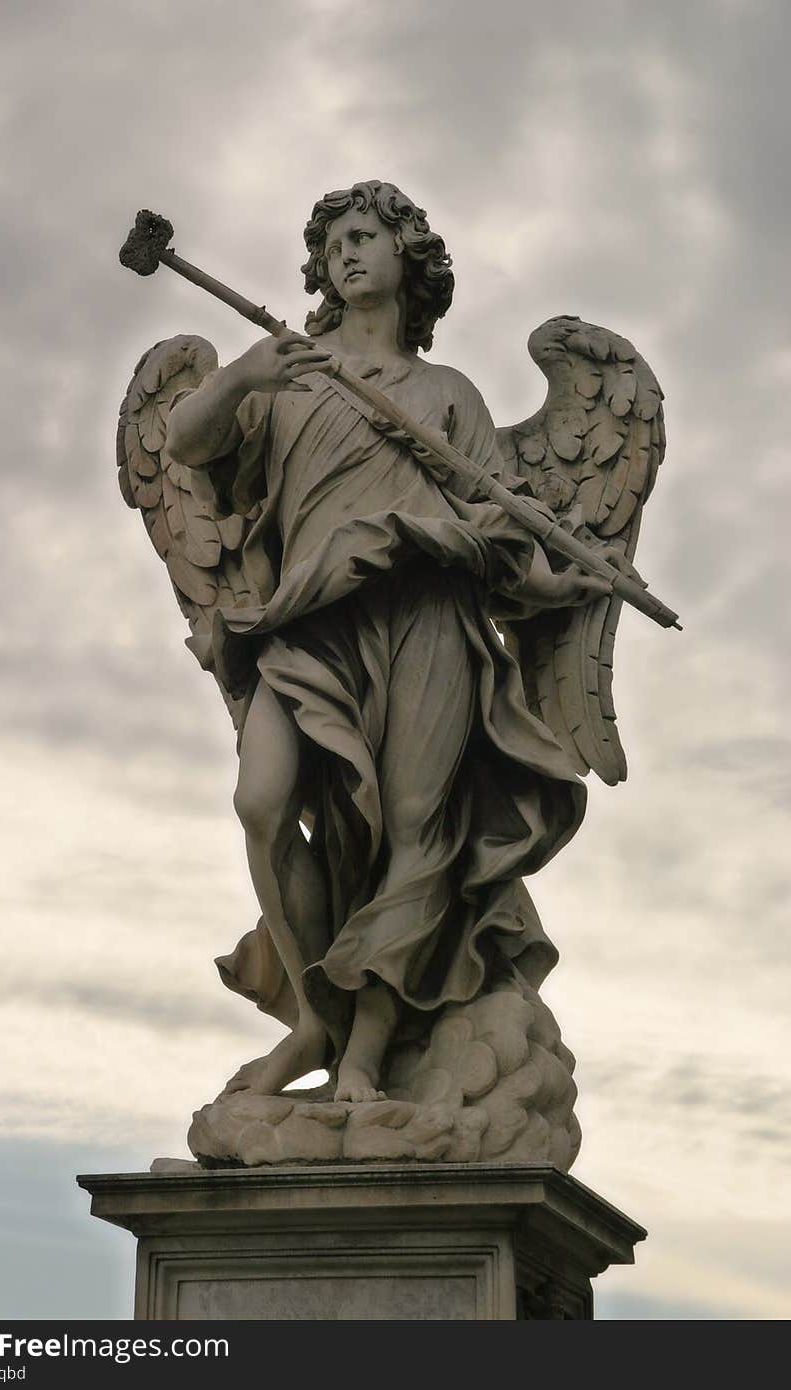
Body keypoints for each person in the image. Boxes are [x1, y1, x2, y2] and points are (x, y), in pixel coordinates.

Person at [166, 181, 606, 1103]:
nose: (346, 254)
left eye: (366, 237)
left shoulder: (448, 395)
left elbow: (498, 522)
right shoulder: (290, 372)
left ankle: (362, 1048)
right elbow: (186, 442)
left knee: (416, 831)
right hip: (309, 623)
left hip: (427, 621)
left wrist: (558, 582)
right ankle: (314, 1019)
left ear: (409, 257)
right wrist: (243, 375)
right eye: (333, 244)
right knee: (262, 803)